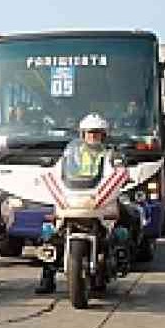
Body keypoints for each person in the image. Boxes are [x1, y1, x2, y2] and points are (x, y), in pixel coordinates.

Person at [35, 113, 108, 294]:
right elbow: (59, 170)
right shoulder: (72, 153)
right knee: (49, 233)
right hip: (74, 195)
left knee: (121, 220)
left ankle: (113, 259)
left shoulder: (109, 154)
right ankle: (47, 277)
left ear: (103, 135)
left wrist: (124, 172)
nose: (93, 137)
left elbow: (116, 171)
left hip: (98, 197)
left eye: (97, 133)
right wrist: (48, 171)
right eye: (90, 133)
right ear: (82, 134)